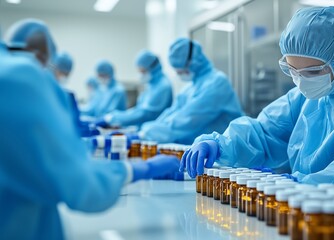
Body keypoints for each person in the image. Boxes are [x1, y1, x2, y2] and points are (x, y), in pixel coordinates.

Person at [180, 6, 334, 189]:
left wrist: (294, 184)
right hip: (301, 217)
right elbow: (262, 133)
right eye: (293, 71)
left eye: (312, 72)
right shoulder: (303, 99)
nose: (302, 81)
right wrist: (219, 144)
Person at [0, 36, 180, 239]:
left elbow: (155, 115)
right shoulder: (14, 77)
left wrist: (131, 130)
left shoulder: (13, 77)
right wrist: (133, 169)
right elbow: (76, 180)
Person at [137, 38, 243, 144]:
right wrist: (148, 128)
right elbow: (172, 113)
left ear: (194, 62)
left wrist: (148, 133)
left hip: (224, 152)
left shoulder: (218, 83)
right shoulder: (189, 88)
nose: (179, 73)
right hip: (199, 150)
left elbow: (187, 120)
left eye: (181, 70)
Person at [97, 50, 172, 128]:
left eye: (143, 71)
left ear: (153, 68)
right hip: (144, 130)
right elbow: (139, 109)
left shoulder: (163, 86)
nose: (141, 75)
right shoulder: (151, 86)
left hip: (154, 133)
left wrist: (114, 118)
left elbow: (145, 114)